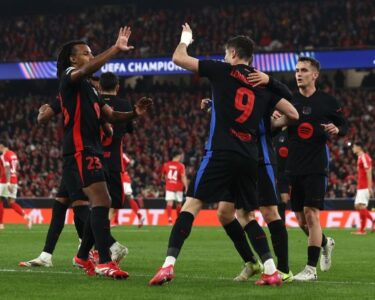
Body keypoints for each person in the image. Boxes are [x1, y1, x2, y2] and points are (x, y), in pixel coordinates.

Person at [149, 23, 298, 286]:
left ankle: (168, 265)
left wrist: (185, 38)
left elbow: (178, 58)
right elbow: (294, 114)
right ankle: (270, 269)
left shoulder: (222, 70)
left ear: (232, 53)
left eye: (226, 54)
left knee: (191, 205)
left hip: (221, 151)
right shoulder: (261, 83)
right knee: (244, 215)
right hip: (249, 156)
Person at [55, 26, 152, 279]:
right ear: (73, 59)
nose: (89, 56)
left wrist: (133, 114)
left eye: (91, 52)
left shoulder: (90, 89)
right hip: (79, 148)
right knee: (101, 201)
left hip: (91, 149)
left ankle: (82, 255)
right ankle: (104, 261)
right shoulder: (69, 76)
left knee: (100, 202)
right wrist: (115, 49)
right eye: (85, 53)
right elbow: (87, 69)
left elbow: (110, 115)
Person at [286, 56, 348, 281]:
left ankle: (310, 270)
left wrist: (337, 128)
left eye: (303, 70)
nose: (298, 74)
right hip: (294, 166)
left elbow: (345, 125)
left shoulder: (327, 102)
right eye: (296, 70)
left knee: (312, 216)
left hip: (316, 165)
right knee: (302, 221)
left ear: (315, 75)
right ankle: (325, 242)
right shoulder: (289, 100)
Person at [98, 72, 143, 228]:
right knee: (114, 202)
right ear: (117, 87)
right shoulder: (124, 104)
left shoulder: (92, 102)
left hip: (92, 160)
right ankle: (102, 237)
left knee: (92, 202)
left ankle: (90, 240)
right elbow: (130, 128)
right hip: (114, 162)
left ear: (99, 86)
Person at [0, 142, 32, 229]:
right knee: (11, 203)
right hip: (14, 180)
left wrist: (8, 183)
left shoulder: (4, 155)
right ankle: (27, 217)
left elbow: (6, 169)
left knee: (1, 201)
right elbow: (16, 168)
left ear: (1, 146)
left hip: (6, 181)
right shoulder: (13, 154)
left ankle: (1, 224)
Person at [351, 140, 375, 234]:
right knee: (357, 206)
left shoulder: (364, 157)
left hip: (364, 186)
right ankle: (368, 224)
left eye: (354, 147)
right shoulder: (360, 157)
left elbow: (368, 171)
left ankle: (363, 229)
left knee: (360, 206)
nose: (353, 148)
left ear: (359, 147)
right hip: (361, 186)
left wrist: (369, 187)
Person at [161, 150, 187, 225]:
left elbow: (163, 177)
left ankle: (169, 220)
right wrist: (186, 186)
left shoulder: (166, 164)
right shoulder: (181, 165)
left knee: (169, 203)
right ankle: (178, 220)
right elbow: (183, 177)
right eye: (181, 156)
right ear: (178, 156)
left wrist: (168, 181)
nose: (182, 157)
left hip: (169, 186)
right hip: (178, 187)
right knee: (179, 204)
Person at [273, 127, 290, 223]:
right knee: (277, 201)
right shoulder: (275, 132)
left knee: (283, 201)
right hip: (274, 170)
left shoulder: (291, 133)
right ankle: (278, 224)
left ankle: (281, 225)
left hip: (285, 172)